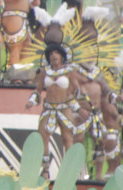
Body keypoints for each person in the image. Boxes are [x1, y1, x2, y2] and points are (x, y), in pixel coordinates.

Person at [27, 42, 84, 175]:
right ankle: (46, 169)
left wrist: (78, 105)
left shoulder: (70, 72)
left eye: (56, 53)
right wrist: (31, 101)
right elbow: (38, 90)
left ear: (62, 56)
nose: (54, 56)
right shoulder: (44, 72)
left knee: (67, 139)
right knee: (43, 136)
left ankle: (69, 171)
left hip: (64, 108)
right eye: (51, 54)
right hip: (48, 108)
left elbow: (77, 90)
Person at [1, 0, 33, 80]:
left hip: (23, 19)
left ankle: (25, 77)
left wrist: (32, 3)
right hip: (13, 18)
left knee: (27, 48)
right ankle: (15, 78)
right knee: (16, 49)